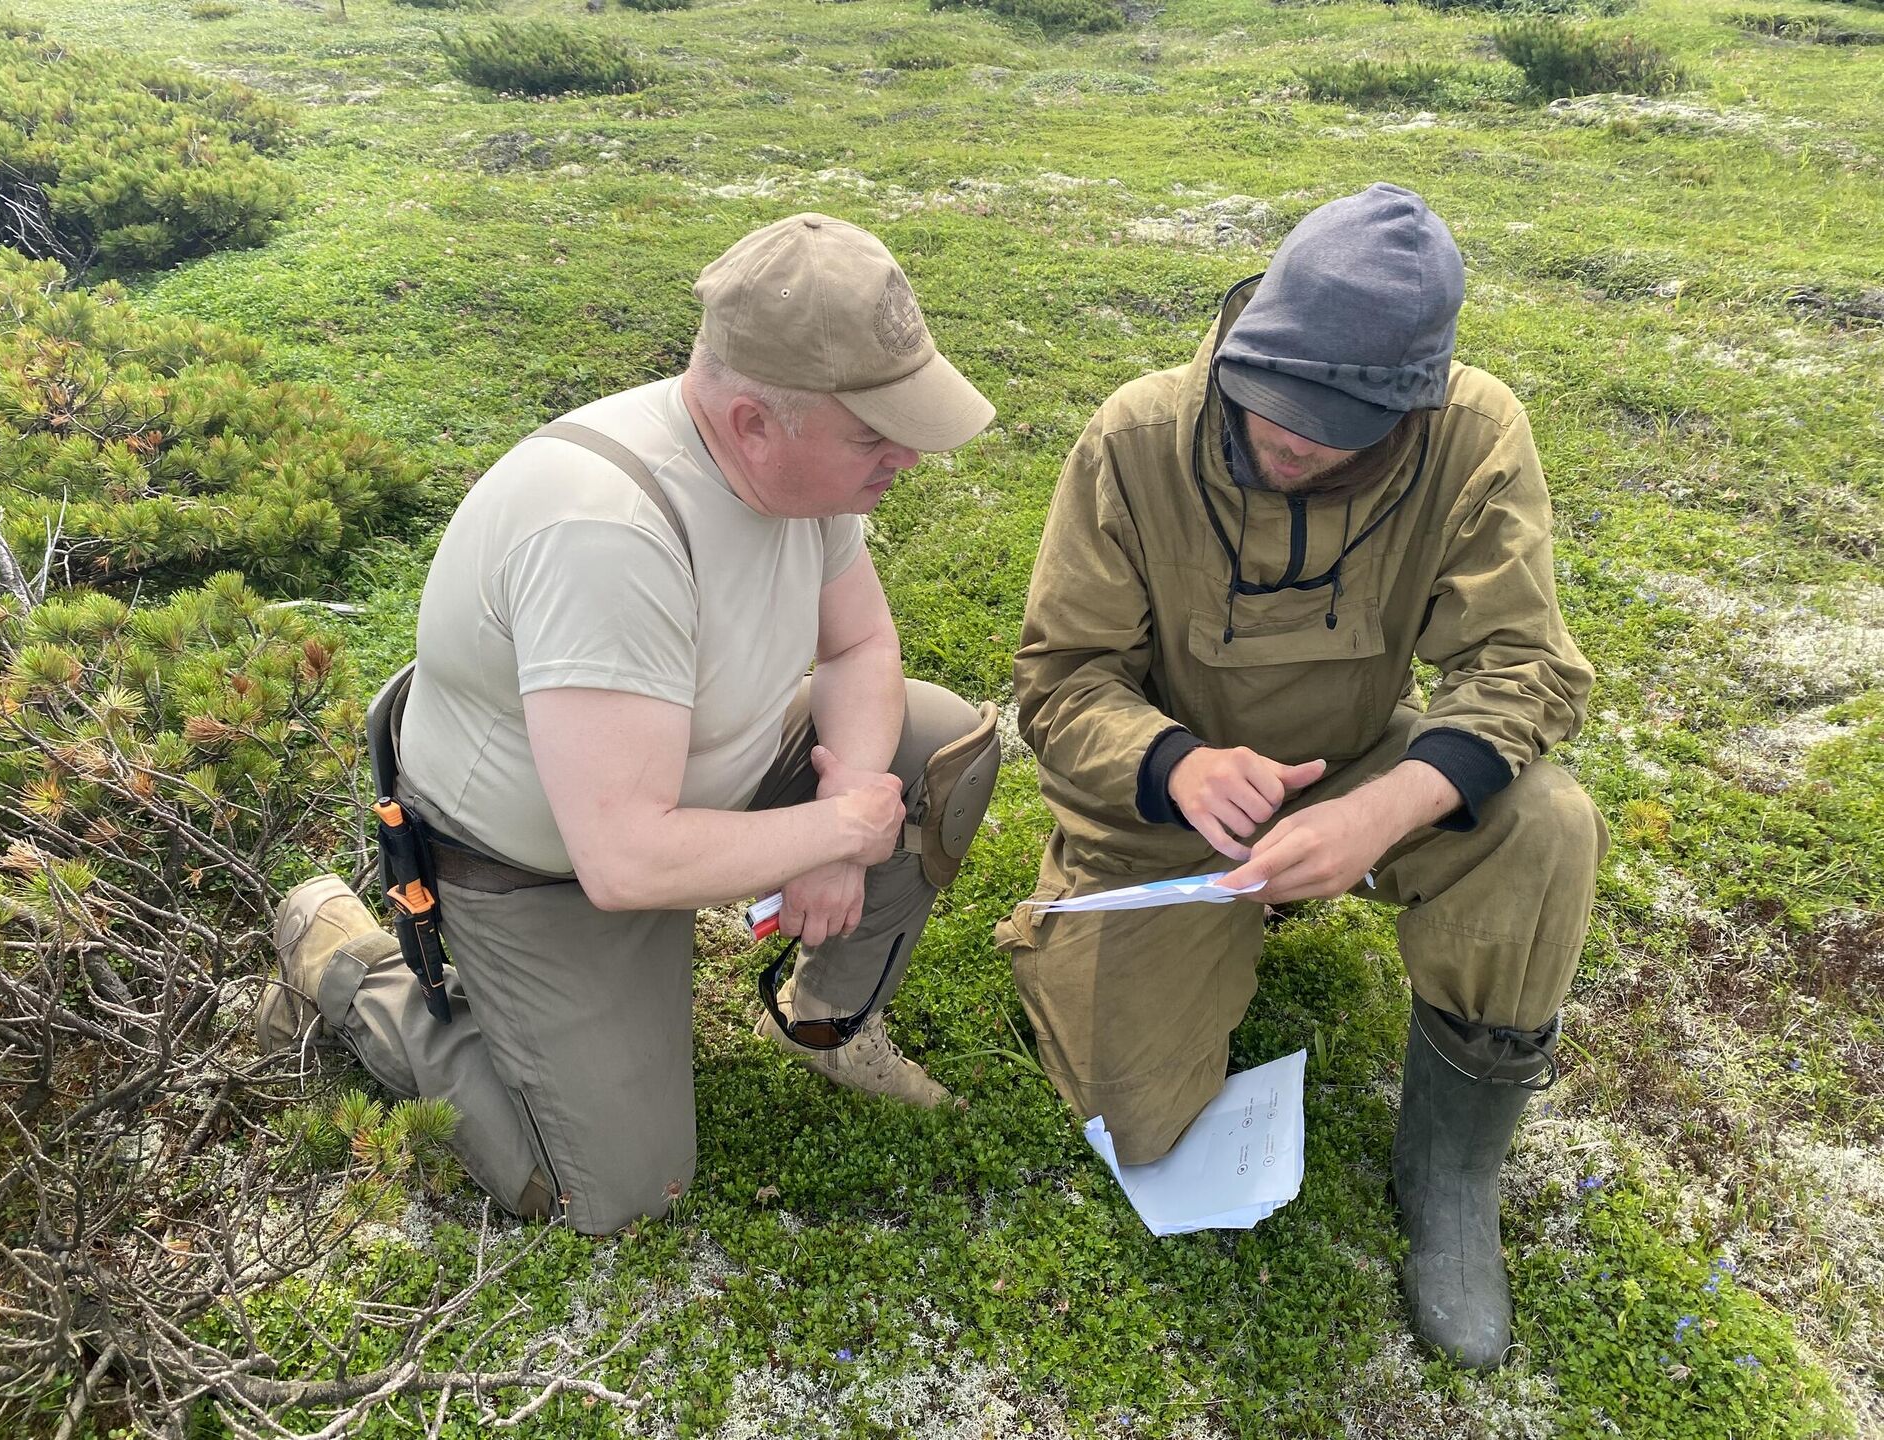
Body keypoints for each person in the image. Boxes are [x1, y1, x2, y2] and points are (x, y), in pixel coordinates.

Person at [257, 213, 1002, 1237]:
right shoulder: (607, 533)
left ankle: (825, 1021)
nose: (906, 458)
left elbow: (861, 648)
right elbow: (624, 860)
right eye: (875, 434)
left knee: (935, 744)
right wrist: (839, 832)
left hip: (684, 789)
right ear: (753, 423)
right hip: (549, 866)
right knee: (610, 1191)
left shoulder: (799, 473)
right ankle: (351, 965)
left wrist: (845, 803)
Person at [998, 183, 1607, 1369]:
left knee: (1545, 825)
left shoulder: (1475, 436)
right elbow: (1059, 679)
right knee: (1139, 1120)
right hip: (1166, 814)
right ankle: (1109, 944)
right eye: (1269, 402)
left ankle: (1451, 1179)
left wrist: (1381, 813)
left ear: (1412, 406)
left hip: (1366, 765)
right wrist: (1172, 765)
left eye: (1330, 428)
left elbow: (1527, 668)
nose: (1286, 440)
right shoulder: (1133, 439)